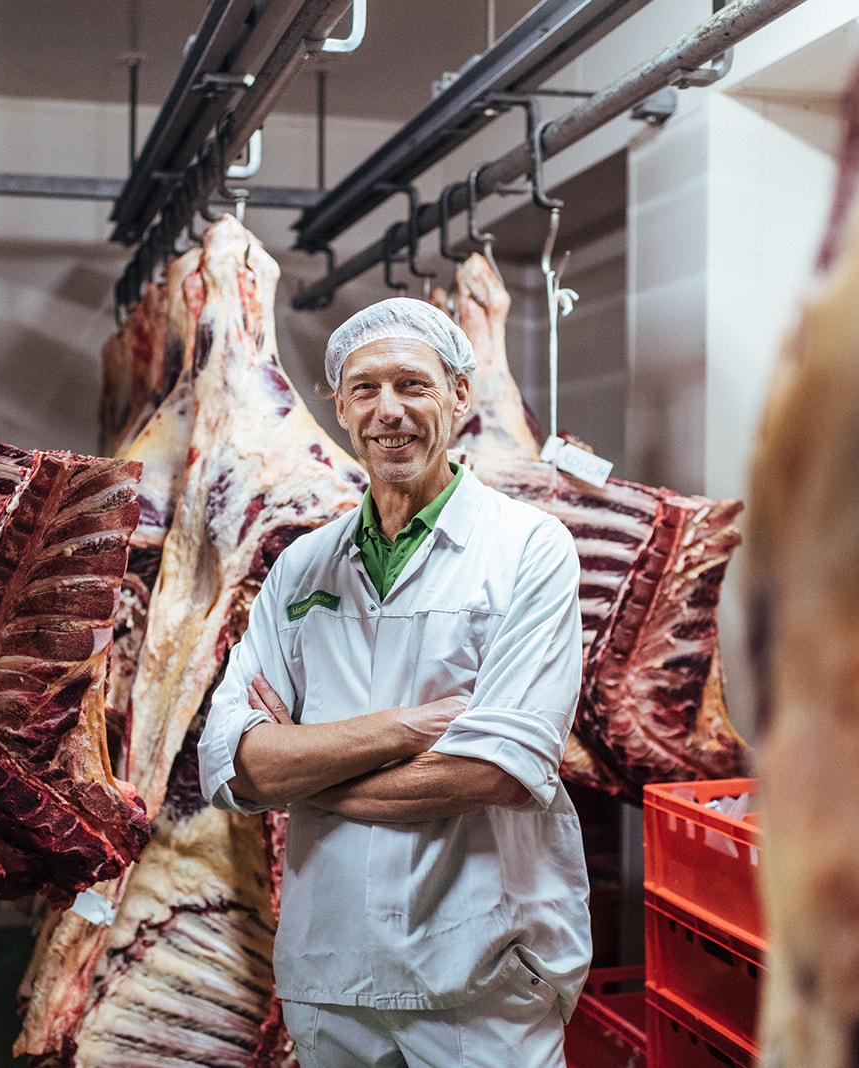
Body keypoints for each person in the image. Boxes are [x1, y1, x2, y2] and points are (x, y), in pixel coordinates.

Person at [197, 297, 593, 1068]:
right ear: (339, 406)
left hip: (479, 976)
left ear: (457, 397)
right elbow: (237, 765)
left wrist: (303, 772)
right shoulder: (301, 567)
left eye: (412, 385)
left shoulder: (527, 550)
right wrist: (412, 729)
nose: (390, 412)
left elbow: (499, 769)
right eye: (366, 389)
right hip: (330, 969)